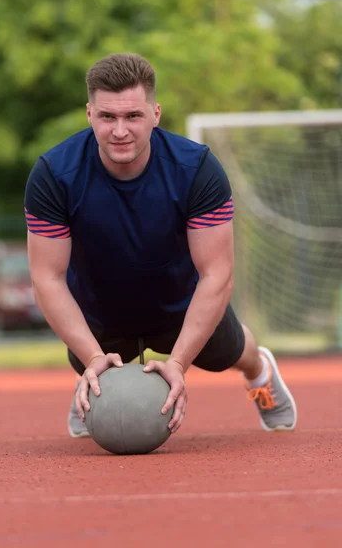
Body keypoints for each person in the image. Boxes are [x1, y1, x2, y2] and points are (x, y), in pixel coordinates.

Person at [24, 53, 297, 438]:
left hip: (181, 305)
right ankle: (94, 378)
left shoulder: (198, 169)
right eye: (107, 117)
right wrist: (92, 357)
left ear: (155, 113)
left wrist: (180, 364)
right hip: (101, 309)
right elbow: (47, 278)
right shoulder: (53, 175)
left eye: (132, 116)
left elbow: (216, 273)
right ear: (89, 114)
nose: (120, 130)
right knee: (89, 360)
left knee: (233, 354)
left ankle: (261, 372)